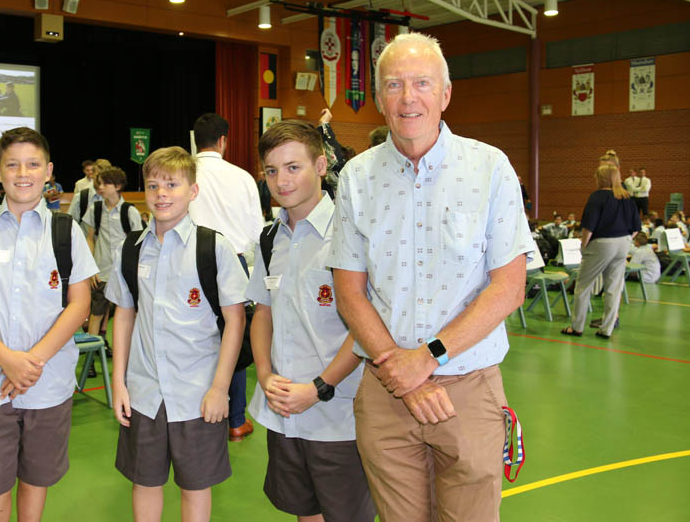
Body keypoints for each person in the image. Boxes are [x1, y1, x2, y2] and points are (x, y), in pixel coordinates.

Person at [328, 32, 532, 522]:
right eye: (393, 84)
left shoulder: (490, 169)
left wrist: (427, 358)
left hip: (469, 388)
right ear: (379, 99)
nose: (408, 97)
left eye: (422, 82)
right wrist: (403, 373)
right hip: (386, 390)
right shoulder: (356, 178)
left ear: (445, 94)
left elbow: (509, 288)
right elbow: (350, 293)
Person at [0, 127, 96, 522]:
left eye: (32, 164)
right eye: (12, 165)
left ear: (49, 171)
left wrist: (32, 362)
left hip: (48, 381)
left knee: (37, 476)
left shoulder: (66, 231)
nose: (22, 173)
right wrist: (7, 360)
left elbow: (79, 304)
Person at [105, 146, 247, 522]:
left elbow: (235, 320)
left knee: (195, 486)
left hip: (197, 394)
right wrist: (119, 383)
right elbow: (124, 315)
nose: (162, 194)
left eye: (172, 184)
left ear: (193, 191)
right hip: (144, 393)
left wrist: (220, 388)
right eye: (153, 186)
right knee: (144, 482)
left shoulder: (214, 248)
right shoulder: (131, 249)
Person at [248, 121, 375, 522]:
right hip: (284, 412)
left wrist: (319, 387)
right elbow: (263, 312)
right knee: (304, 511)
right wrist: (265, 375)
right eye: (272, 171)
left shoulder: (350, 234)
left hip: (338, 417)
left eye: (293, 167)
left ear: (321, 165)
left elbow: (366, 326)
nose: (281, 181)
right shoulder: (269, 239)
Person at [188, 112, 264, 442]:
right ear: (223, 141)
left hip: (190, 262)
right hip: (234, 262)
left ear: (196, 141)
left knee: (193, 338)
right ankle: (235, 420)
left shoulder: (184, 174)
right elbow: (256, 232)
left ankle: (196, 415)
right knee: (234, 338)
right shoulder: (242, 177)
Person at [562, 163, 640, 340]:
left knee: (583, 286)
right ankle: (607, 329)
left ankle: (577, 327)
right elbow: (636, 227)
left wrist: (584, 246)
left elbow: (588, 227)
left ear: (600, 178)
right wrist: (625, 239)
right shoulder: (626, 197)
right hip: (624, 242)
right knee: (613, 288)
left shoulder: (597, 197)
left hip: (602, 243)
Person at [84, 166, 143, 359]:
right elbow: (90, 238)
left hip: (124, 272)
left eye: (105, 184)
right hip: (101, 270)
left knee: (127, 312)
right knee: (96, 312)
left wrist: (135, 271)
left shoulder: (130, 212)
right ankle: (91, 358)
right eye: (99, 184)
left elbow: (139, 243)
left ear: (117, 186)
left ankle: (129, 355)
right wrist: (90, 267)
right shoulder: (95, 209)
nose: (100, 187)